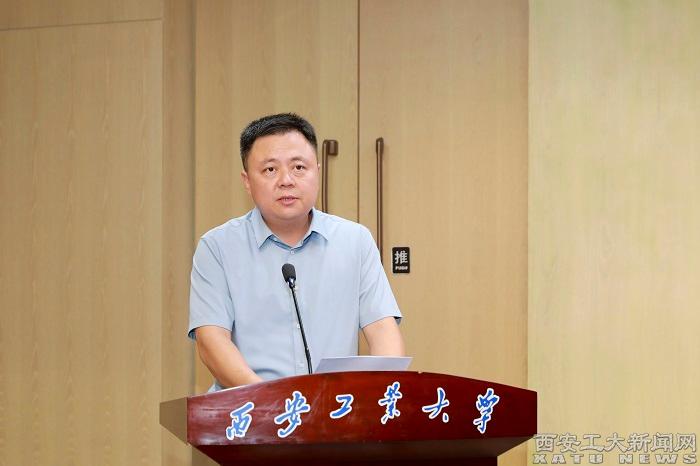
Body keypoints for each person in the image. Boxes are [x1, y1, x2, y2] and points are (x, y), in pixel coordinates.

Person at [188, 113, 405, 391]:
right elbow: (211, 342)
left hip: (336, 409)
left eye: (299, 167)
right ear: (247, 181)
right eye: (270, 170)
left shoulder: (355, 241)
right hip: (252, 409)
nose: (286, 180)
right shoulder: (217, 247)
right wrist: (274, 402)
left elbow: (384, 333)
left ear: (317, 171)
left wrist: (376, 396)